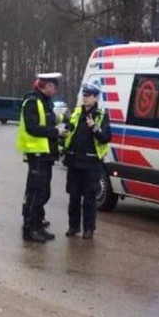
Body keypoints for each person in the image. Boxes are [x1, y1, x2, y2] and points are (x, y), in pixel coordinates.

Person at [17, 72, 66, 243]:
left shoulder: (45, 103)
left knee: (44, 192)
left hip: (46, 154)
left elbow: (49, 121)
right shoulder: (32, 102)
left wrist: (63, 122)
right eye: (53, 86)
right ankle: (30, 228)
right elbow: (32, 127)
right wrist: (55, 132)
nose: (55, 90)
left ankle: (37, 225)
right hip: (36, 153)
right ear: (44, 86)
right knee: (36, 192)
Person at [63, 82, 112, 239]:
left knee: (90, 198)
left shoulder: (102, 115)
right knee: (74, 197)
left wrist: (94, 128)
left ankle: (89, 229)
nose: (85, 98)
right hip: (74, 161)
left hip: (91, 164)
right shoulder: (77, 112)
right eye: (84, 95)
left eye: (88, 95)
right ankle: (73, 226)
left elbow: (106, 137)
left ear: (96, 97)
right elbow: (68, 131)